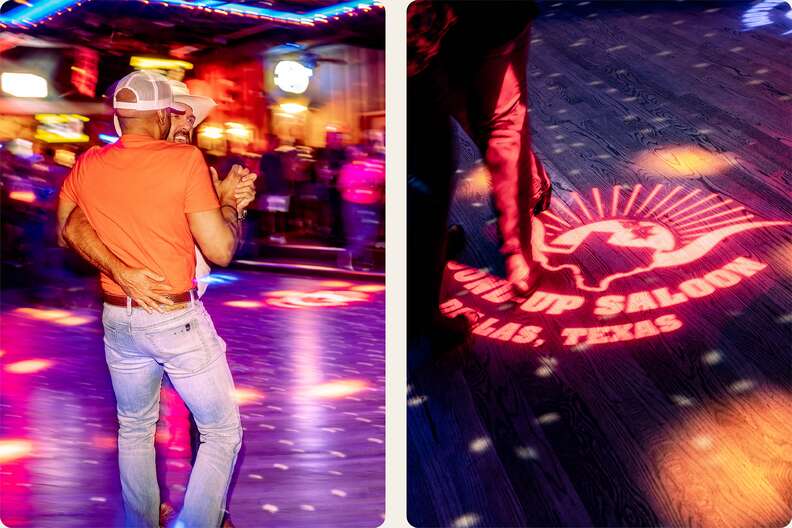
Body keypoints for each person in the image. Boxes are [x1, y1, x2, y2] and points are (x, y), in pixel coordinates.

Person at [56, 71, 255, 528]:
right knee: (222, 430)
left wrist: (118, 270)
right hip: (173, 317)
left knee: (135, 428)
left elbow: (67, 227)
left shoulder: (88, 163)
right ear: (164, 114)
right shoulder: (184, 161)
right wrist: (231, 207)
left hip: (117, 320)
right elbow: (221, 250)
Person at [407, 1, 551, 365]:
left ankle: (429, 265)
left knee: (460, 128)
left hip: (432, 35)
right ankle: (517, 256)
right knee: (495, 125)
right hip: (459, 25)